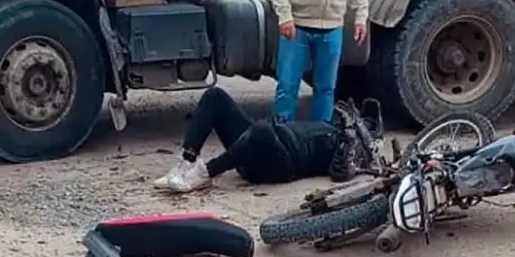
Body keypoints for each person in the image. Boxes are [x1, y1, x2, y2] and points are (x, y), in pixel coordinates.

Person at [153, 87, 371, 193]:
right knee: (215, 96)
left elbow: (342, 172)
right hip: (261, 141)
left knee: (261, 130)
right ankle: (186, 163)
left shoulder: (348, 145)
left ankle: (205, 173)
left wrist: (351, 142)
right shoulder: (335, 121)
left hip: (281, 165)